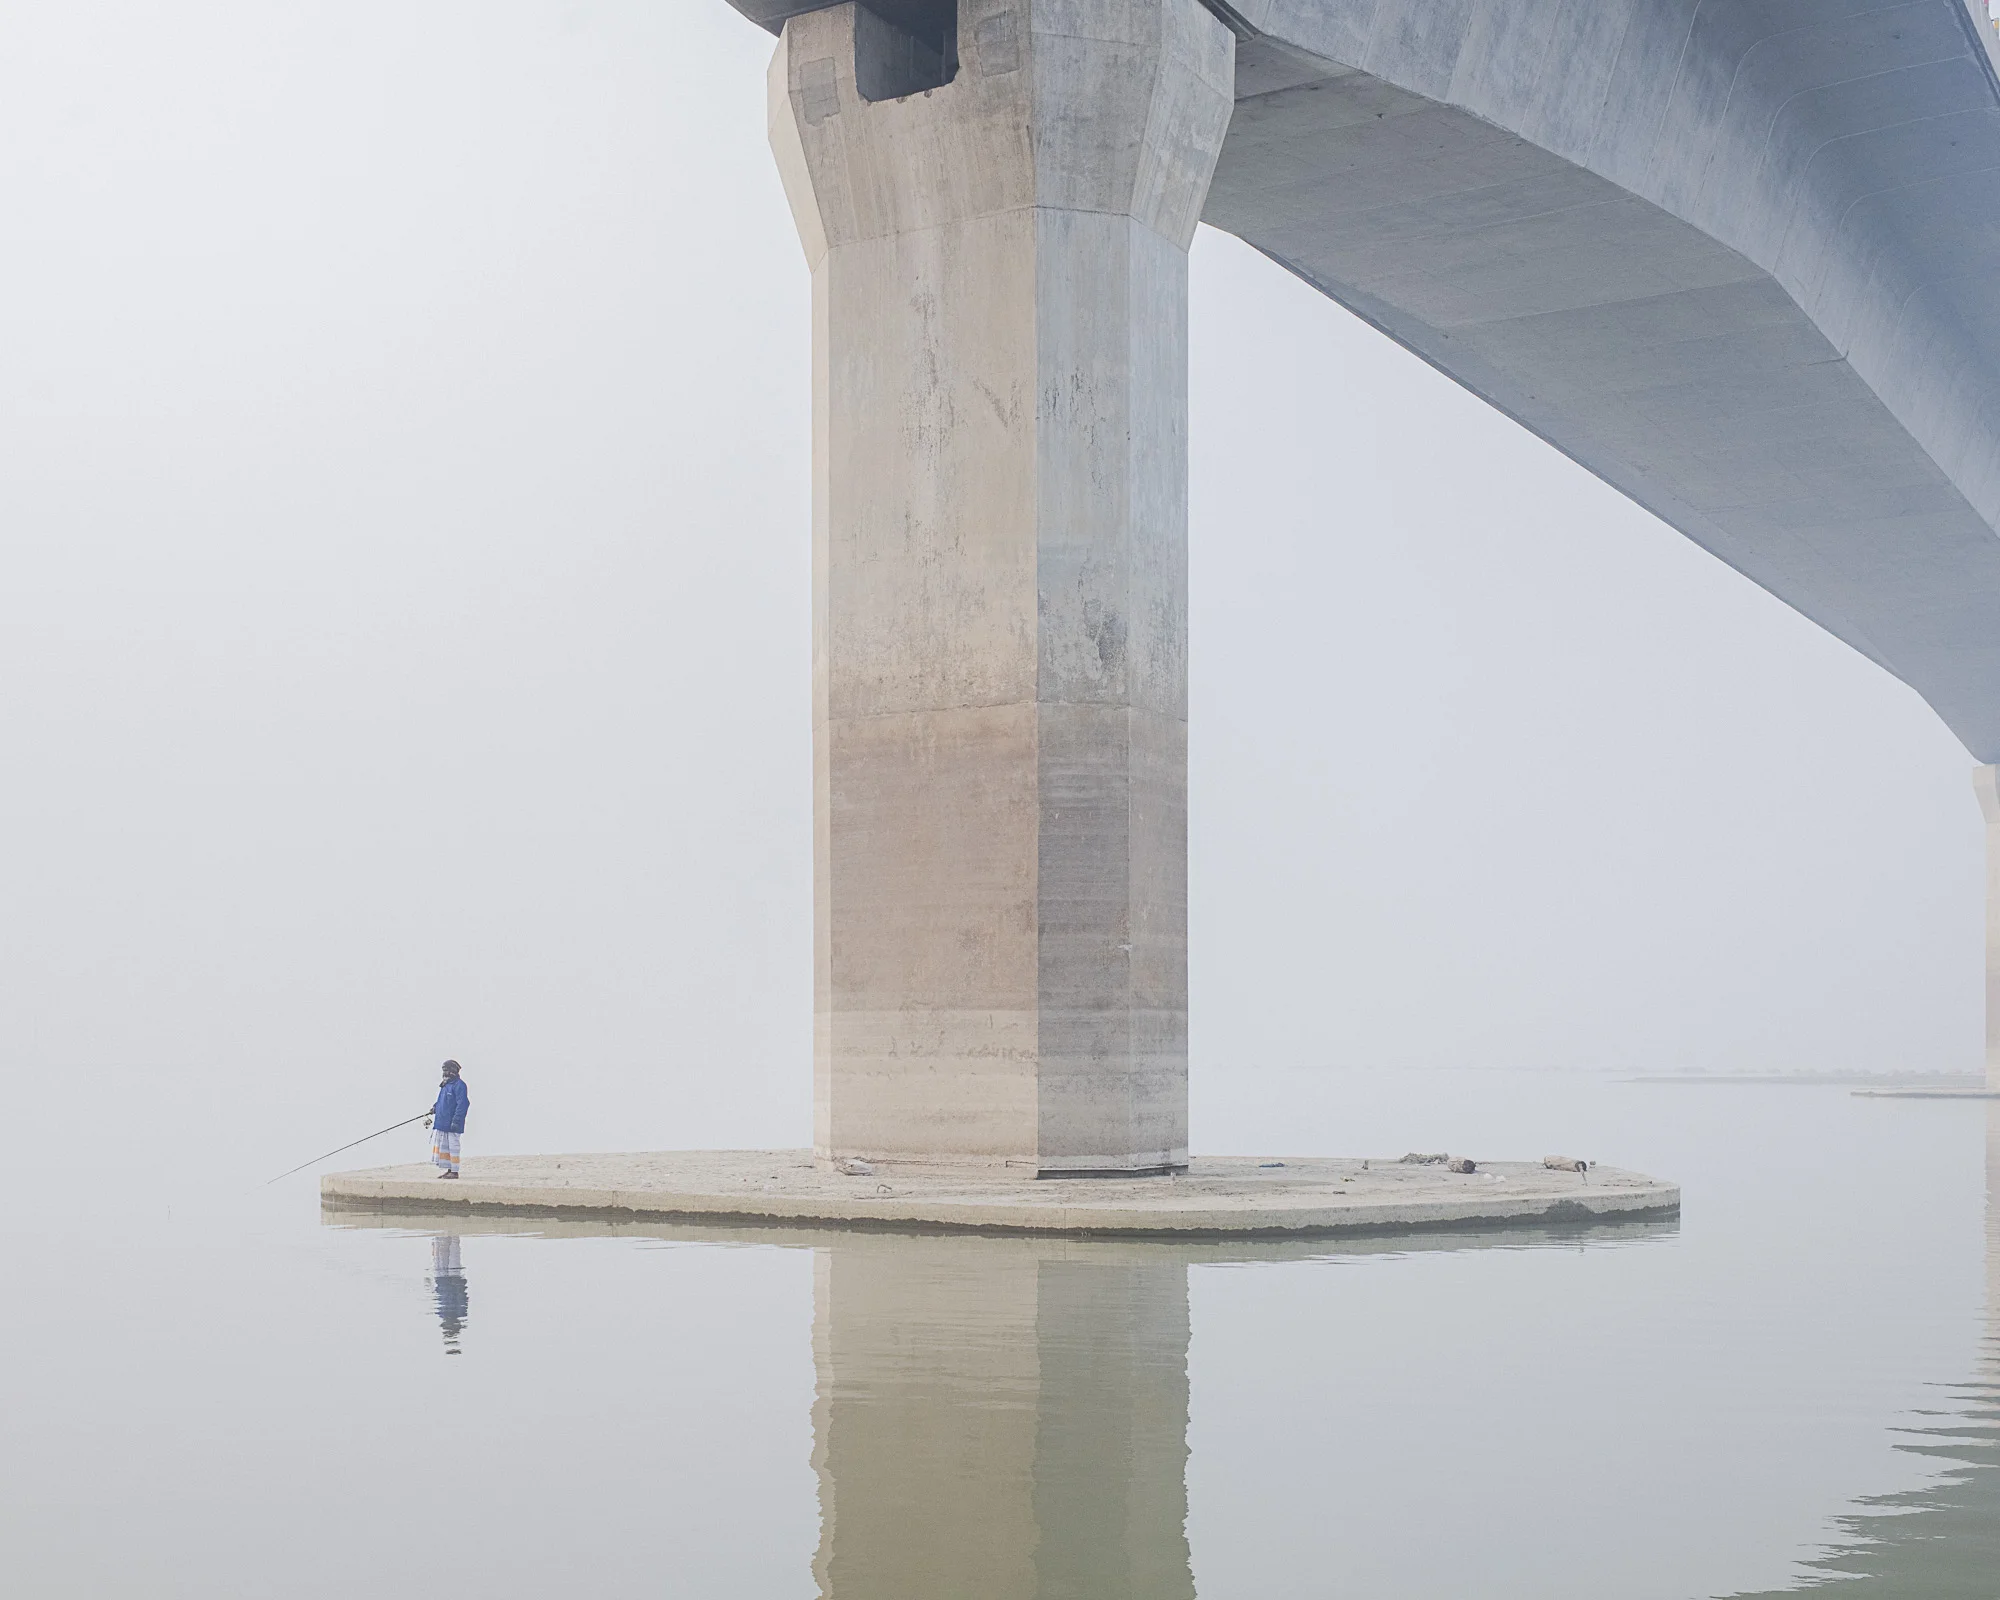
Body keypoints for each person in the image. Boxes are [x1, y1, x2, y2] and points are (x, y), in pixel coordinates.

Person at [425, 1059, 470, 1179]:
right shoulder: (445, 1085)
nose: (444, 1073)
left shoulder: (459, 1085)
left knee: (453, 1147)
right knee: (445, 1147)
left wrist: (456, 1120)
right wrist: (435, 1108)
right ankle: (449, 1170)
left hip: (452, 1124)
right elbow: (442, 1101)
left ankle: (454, 1171)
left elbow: (463, 1104)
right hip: (443, 1123)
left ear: (452, 1071)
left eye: (446, 1070)